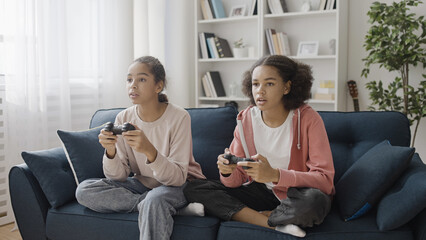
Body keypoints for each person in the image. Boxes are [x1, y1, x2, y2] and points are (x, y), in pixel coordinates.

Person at [183, 55, 335, 238]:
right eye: (256, 84)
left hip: (296, 195)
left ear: (287, 87)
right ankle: (272, 223)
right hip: (260, 192)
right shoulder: (245, 118)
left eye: (269, 84)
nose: (260, 91)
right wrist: (227, 171)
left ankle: (251, 215)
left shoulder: (308, 119)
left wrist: (275, 175)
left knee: (315, 201)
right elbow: (236, 181)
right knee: (195, 188)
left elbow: (325, 180)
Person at [75, 56, 206, 240]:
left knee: (156, 199)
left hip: (180, 185)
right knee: (84, 190)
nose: (133, 85)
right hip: (142, 185)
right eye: (129, 79)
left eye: (142, 79)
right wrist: (110, 151)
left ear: (158, 86)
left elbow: (176, 178)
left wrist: (149, 150)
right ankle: (167, 209)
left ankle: (160, 205)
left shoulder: (179, 117)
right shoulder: (123, 117)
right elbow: (118, 177)